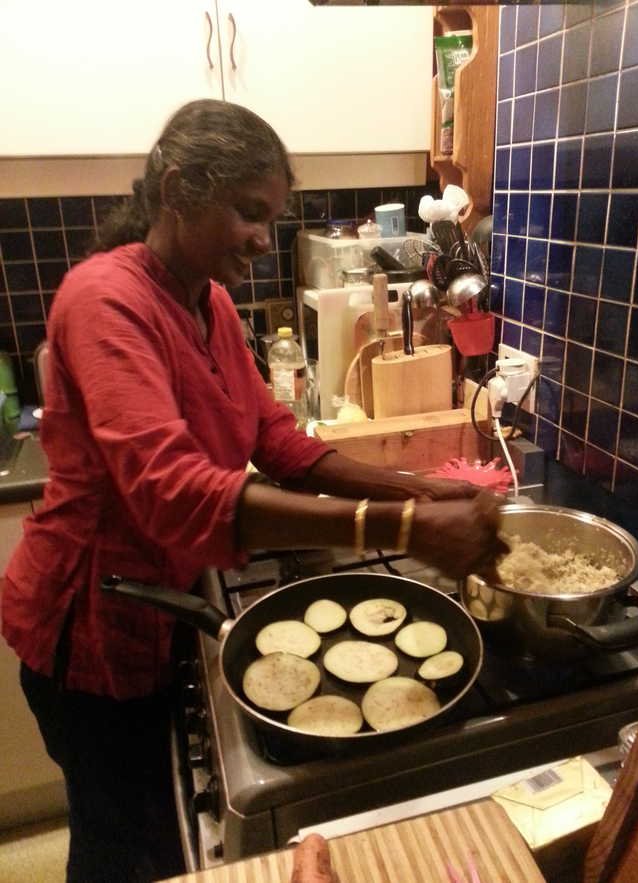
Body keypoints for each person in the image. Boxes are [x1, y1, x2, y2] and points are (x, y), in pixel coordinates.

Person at [1, 99, 506, 883]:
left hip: (160, 606)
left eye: (272, 219)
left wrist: (422, 492)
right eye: (249, 214)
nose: (264, 242)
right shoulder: (106, 299)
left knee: (158, 838)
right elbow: (172, 492)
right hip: (89, 625)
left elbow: (279, 444)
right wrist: (402, 528)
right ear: (177, 190)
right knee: (117, 848)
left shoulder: (206, 301)